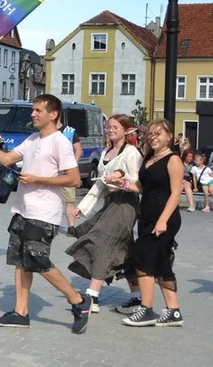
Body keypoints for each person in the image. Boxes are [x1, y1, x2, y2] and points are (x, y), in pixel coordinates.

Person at [0, 94, 92, 333]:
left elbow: (74, 179)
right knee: (20, 262)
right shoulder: (33, 139)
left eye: (38, 110)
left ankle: (77, 300)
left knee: (38, 260)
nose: (33, 114)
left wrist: (38, 179)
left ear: (53, 114)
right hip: (23, 210)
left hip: (43, 213)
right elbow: (5, 158)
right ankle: (21, 312)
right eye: (33, 110)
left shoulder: (59, 142)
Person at [107, 119, 185, 326]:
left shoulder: (173, 159)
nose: (153, 137)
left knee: (142, 260)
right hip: (147, 216)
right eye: (151, 134)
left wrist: (162, 221)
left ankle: (146, 309)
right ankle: (174, 311)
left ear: (170, 136)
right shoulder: (150, 157)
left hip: (164, 218)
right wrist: (122, 183)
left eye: (159, 133)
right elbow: (143, 187)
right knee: (160, 263)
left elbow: (176, 193)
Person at [64, 115, 142, 313]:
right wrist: (83, 207)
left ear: (126, 130)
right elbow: (98, 185)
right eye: (108, 127)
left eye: (115, 127)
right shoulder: (106, 151)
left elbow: (138, 182)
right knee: (124, 250)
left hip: (126, 204)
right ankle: (137, 296)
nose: (110, 130)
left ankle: (92, 295)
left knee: (102, 241)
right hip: (110, 203)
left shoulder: (132, 153)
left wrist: (120, 177)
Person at [58, 118, 83, 227]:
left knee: (70, 200)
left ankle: (71, 226)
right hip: (50, 172)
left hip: (66, 173)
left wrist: (71, 165)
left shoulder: (69, 131)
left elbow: (78, 150)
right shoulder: (45, 130)